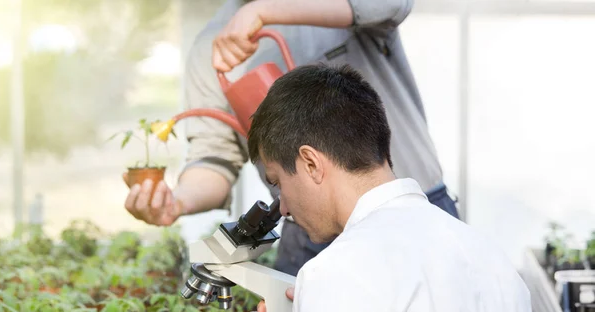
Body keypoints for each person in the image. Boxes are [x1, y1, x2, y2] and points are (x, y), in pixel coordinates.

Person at [230, 64, 536, 312]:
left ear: (311, 164)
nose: (283, 207)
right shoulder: (494, 262)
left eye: (277, 184)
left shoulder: (338, 273)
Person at [124, 0, 460, 277]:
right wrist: (176, 202)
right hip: (309, 232)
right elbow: (214, 159)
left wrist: (263, 12)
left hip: (414, 209)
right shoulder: (209, 49)